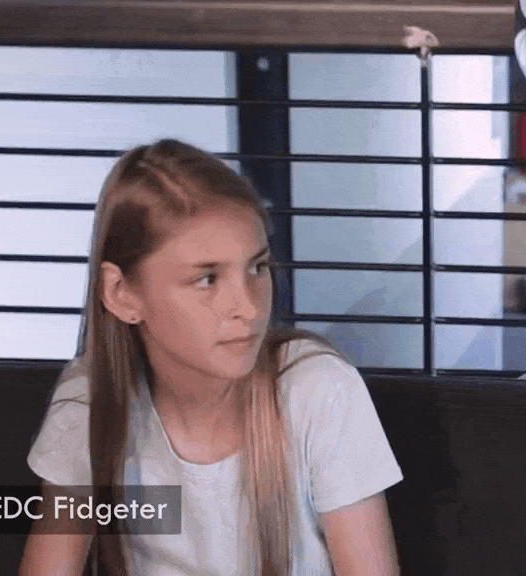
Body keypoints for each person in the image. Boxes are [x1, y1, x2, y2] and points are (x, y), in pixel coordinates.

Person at [20, 139, 403, 575]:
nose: (249, 308)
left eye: (257, 268)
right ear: (122, 294)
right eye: (207, 279)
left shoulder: (319, 392)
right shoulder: (88, 404)